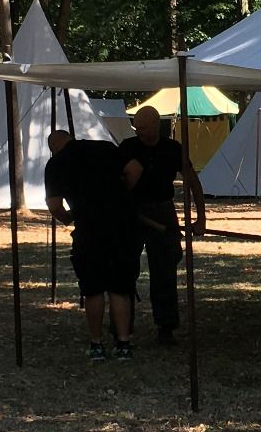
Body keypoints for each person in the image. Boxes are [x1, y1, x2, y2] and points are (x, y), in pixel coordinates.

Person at [44, 129, 140, 360]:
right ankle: (123, 344)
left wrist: (68, 218)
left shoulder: (56, 163)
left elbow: (54, 205)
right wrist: (123, 196)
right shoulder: (105, 147)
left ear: (54, 147)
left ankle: (96, 344)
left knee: (93, 289)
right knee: (120, 287)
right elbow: (135, 169)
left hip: (88, 231)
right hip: (122, 227)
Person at [118, 104, 206, 344]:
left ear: (157, 125)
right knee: (125, 269)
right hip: (132, 211)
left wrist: (201, 217)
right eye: (137, 128)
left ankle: (166, 326)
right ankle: (122, 326)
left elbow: (192, 181)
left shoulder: (173, 149)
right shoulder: (127, 147)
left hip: (162, 210)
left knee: (165, 269)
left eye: (144, 128)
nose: (140, 132)